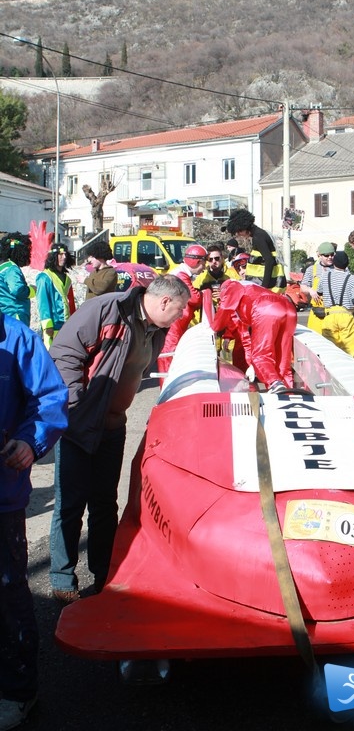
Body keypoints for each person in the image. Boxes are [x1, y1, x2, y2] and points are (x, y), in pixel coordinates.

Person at [48, 276, 190, 604]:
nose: (180, 317)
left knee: (104, 502)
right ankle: (61, 578)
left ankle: (103, 573)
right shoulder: (106, 310)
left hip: (113, 427)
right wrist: (75, 405)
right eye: (179, 310)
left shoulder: (156, 328)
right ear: (165, 302)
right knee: (70, 504)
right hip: (79, 424)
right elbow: (64, 355)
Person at [0, 311, 68, 730]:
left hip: (3, 496)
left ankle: (18, 691)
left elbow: (50, 398)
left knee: (7, 594)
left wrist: (30, 439)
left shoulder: (17, 338)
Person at [211, 280, 297, 393]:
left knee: (260, 356)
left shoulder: (232, 285)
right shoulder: (252, 287)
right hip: (288, 307)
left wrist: (214, 327)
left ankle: (273, 383)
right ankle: (288, 392)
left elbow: (225, 310)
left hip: (266, 308)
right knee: (282, 359)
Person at [159, 244, 207, 375]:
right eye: (203, 263)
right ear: (197, 261)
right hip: (174, 324)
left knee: (171, 354)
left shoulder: (180, 272)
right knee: (169, 355)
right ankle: (168, 389)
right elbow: (195, 299)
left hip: (175, 322)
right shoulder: (181, 275)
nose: (204, 267)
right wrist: (205, 293)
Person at [224, 209, 286, 292]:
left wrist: (263, 288)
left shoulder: (258, 237)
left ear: (243, 228)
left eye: (239, 232)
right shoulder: (260, 234)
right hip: (265, 284)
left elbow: (269, 260)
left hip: (269, 286)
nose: (239, 235)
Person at [317, 250, 354, 357]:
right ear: (347, 263)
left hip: (329, 316)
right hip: (346, 316)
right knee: (348, 351)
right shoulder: (352, 279)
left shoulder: (325, 276)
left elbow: (319, 292)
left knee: (330, 349)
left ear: (334, 263)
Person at [35, 243, 76, 349]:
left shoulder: (67, 279)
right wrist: (47, 325)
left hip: (67, 325)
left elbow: (71, 303)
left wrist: (74, 321)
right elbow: (43, 303)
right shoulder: (44, 277)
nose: (64, 257)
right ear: (54, 256)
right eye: (60, 254)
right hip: (53, 326)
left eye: (65, 254)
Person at [300, 241, 336, 333]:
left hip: (335, 312)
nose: (330, 257)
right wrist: (310, 290)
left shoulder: (339, 268)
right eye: (327, 255)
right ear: (320, 255)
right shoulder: (312, 269)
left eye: (332, 255)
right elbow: (303, 287)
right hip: (317, 312)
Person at [0, 233, 34, 327]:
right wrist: (31, 290)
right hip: (15, 315)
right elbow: (17, 289)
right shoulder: (11, 268)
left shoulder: (2, 268)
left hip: (4, 316)